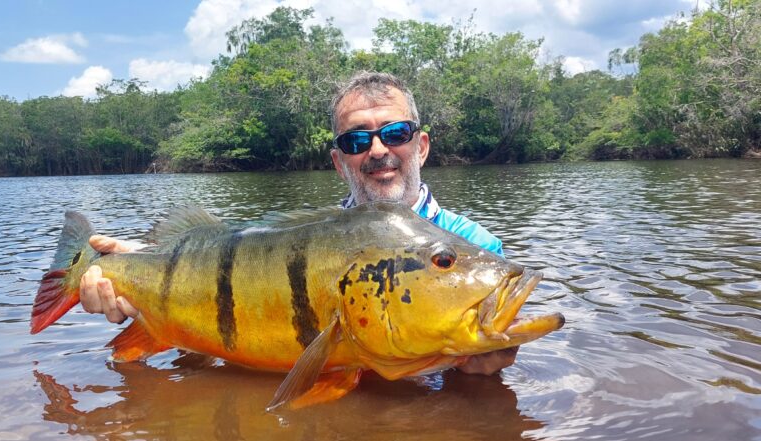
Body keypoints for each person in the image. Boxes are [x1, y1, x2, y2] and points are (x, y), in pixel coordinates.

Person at [79, 71, 518, 375]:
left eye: (396, 132)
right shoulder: (309, 241)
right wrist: (144, 280)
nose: (379, 149)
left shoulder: (476, 247)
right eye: (357, 139)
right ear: (338, 161)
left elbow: (479, 369)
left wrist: (481, 368)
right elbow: (228, 291)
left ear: (420, 147)